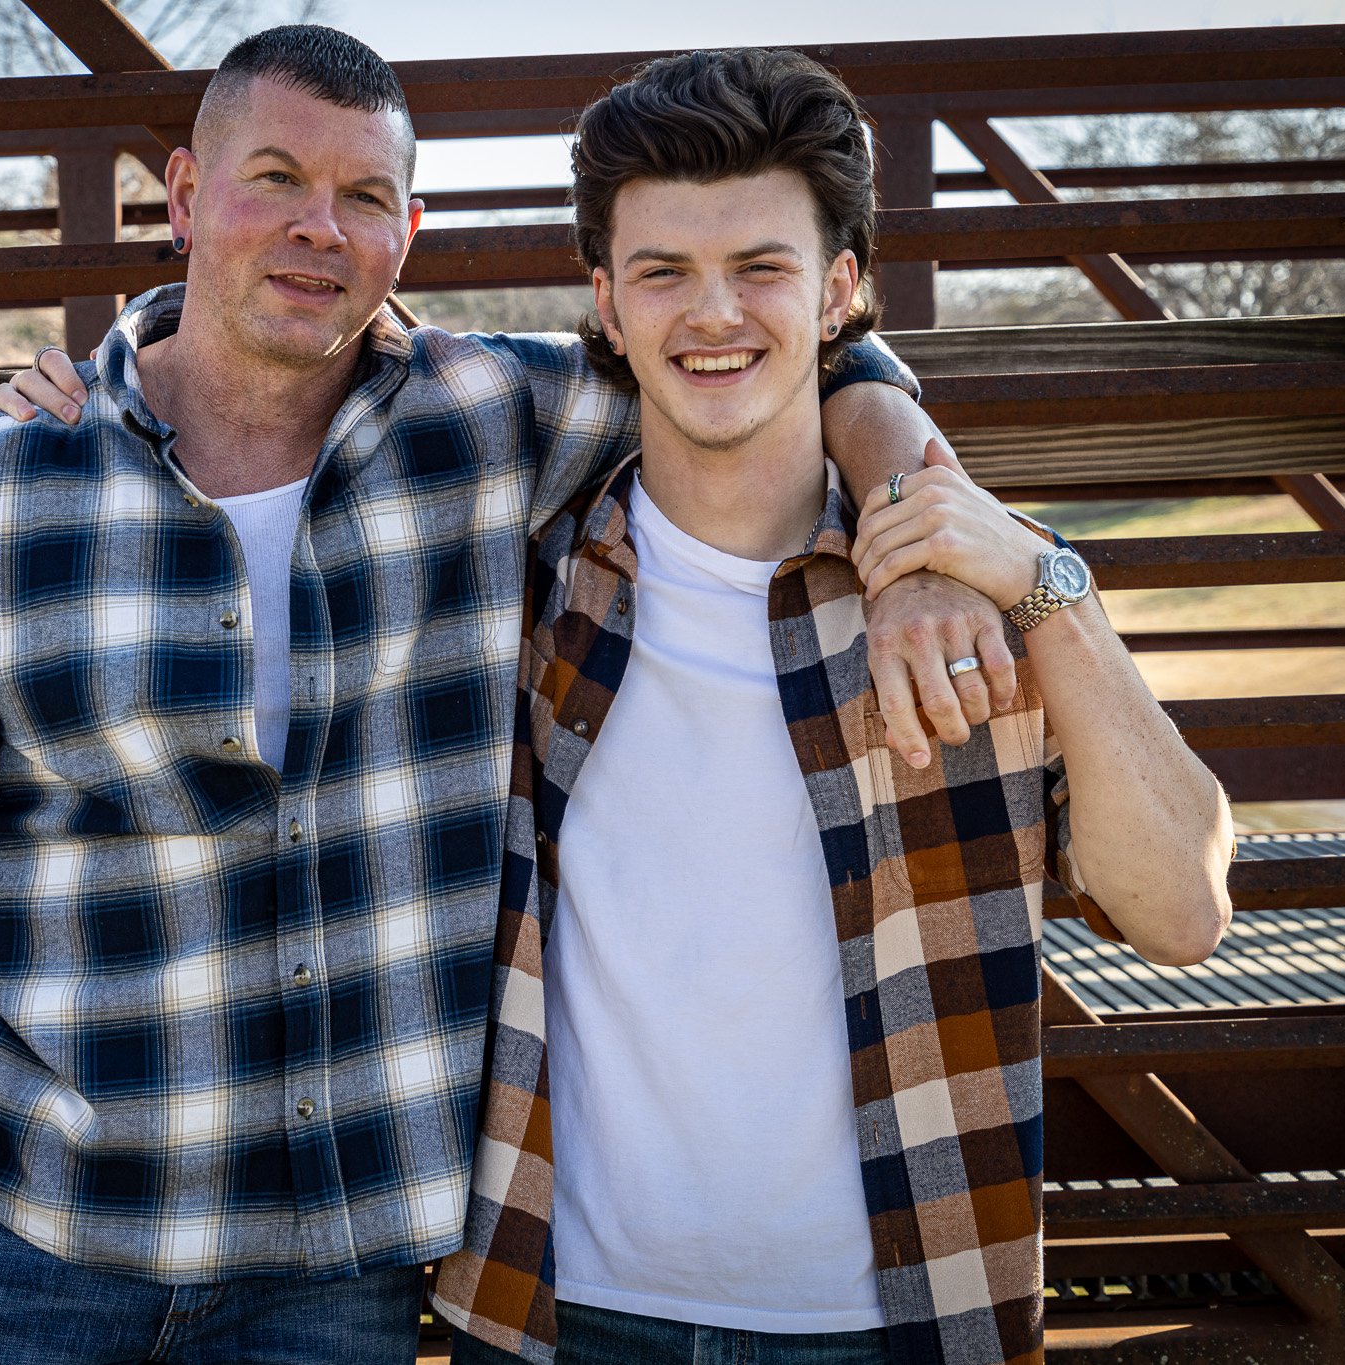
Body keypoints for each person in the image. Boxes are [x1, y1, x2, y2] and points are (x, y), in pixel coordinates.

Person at [0, 25, 1008, 1365]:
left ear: (407, 232)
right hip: (29, 1240)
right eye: (276, 179)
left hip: (338, 1272)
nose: (321, 229)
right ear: (189, 200)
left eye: (365, 196)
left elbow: (788, 353)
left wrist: (910, 529)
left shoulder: (495, 418)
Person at [407, 48, 1231, 1365]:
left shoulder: (976, 595)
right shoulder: (526, 585)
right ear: (606, 304)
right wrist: (107, 376)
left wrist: (1047, 589)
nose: (711, 313)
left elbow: (1184, 909)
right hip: (559, 1310)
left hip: (894, 1321)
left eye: (763, 268)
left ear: (843, 289)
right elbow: (281, 342)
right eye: (664, 270)